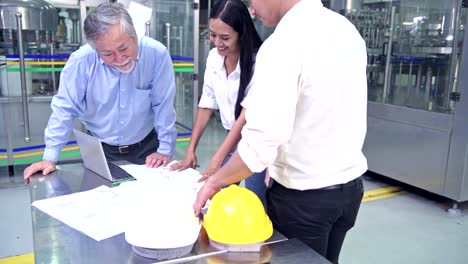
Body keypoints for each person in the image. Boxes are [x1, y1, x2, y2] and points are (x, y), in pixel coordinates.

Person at [193, 0, 367, 263]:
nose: (252, 8)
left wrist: (215, 181)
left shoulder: (283, 43)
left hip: (304, 200)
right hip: (349, 193)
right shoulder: (345, 30)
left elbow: (260, 143)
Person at [23, 3, 177, 184]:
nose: (120, 59)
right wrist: (50, 157)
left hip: (148, 149)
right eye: (107, 53)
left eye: (123, 48)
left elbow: (163, 105)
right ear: (96, 49)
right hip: (100, 151)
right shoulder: (82, 61)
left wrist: (165, 150)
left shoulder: (156, 54)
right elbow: (64, 109)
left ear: (134, 36)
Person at [170, 0, 267, 205]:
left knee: (256, 201)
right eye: (213, 35)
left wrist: (217, 160)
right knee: (212, 195)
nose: (217, 42)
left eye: (225, 37)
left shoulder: (260, 61)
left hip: (254, 141)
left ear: (241, 33)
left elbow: (245, 117)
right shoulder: (214, 57)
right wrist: (190, 149)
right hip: (230, 137)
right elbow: (207, 103)